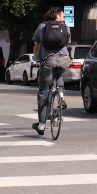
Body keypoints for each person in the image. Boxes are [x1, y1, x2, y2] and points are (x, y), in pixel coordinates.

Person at [31, 7, 71, 136]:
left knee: (43, 91)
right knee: (59, 72)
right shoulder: (65, 27)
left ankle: (41, 125)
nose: (64, 18)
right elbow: (66, 44)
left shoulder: (42, 26)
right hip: (64, 59)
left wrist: (36, 58)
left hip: (48, 61)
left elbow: (37, 44)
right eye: (62, 16)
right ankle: (61, 97)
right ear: (57, 16)